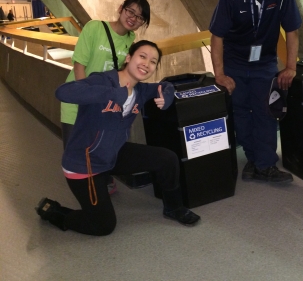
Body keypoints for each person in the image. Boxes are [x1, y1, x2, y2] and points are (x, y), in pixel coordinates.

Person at [35, 41, 201, 235]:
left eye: (153, 61)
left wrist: (167, 97)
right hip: (84, 164)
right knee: (103, 226)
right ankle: (55, 212)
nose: (147, 63)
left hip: (112, 155)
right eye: (142, 56)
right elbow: (62, 92)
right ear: (129, 58)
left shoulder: (141, 90)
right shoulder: (102, 80)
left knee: (168, 159)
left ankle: (174, 208)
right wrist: (114, 94)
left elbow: (166, 85)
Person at [209, 0, 302, 183]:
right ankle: (253, 159)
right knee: (241, 112)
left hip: (265, 63)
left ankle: (265, 163)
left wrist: (291, 66)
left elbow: (292, 29)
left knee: (266, 111)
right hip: (235, 63)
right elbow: (217, 36)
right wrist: (219, 74)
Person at [61, 0, 150, 194]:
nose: (133, 18)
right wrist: (86, 99)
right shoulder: (95, 27)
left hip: (104, 104)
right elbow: (79, 65)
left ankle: (100, 185)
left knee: (101, 146)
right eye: (130, 11)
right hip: (79, 99)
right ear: (121, 8)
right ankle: (85, 192)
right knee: (74, 149)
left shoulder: (131, 41)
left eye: (140, 17)